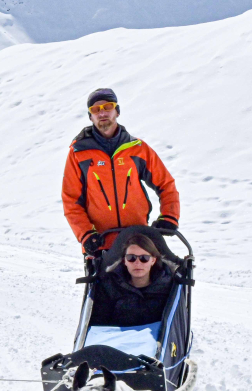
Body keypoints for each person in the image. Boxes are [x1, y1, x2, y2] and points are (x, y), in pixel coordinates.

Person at [61, 88, 180, 262]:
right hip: (100, 244)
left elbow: (166, 184)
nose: (102, 113)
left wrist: (169, 216)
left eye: (108, 107)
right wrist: (86, 234)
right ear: (90, 116)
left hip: (138, 241)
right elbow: (71, 200)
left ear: (117, 111)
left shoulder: (138, 149)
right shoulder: (79, 153)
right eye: (95, 109)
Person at [91, 232, 176, 329]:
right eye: (131, 258)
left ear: (153, 260)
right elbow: (98, 323)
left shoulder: (168, 287)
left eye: (144, 258)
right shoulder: (109, 286)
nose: (137, 263)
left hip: (157, 342)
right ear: (124, 261)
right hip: (116, 341)